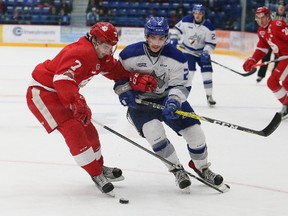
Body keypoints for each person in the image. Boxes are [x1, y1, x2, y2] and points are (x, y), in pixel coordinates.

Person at [26, 22, 155, 196]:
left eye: (111, 46)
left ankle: (99, 166)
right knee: (74, 129)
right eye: (105, 46)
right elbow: (62, 79)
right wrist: (76, 101)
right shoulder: (81, 52)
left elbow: (115, 71)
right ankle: (95, 174)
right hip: (43, 93)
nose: (109, 50)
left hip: (63, 93)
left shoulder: (102, 55)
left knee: (89, 130)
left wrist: (135, 79)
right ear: (94, 40)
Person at [114, 17, 224, 191]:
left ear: (166, 37)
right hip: (142, 104)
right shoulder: (129, 55)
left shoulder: (177, 57)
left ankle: (202, 168)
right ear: (146, 36)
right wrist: (125, 91)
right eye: (153, 37)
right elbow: (118, 78)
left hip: (168, 98)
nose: (157, 42)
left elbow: (181, 85)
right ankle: (177, 169)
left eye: (161, 38)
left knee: (196, 134)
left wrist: (174, 101)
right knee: (154, 132)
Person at [242, 6, 288, 119]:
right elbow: (262, 48)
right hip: (282, 58)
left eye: (261, 17)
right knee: (281, 83)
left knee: (273, 81)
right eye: (257, 18)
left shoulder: (277, 25)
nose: (259, 20)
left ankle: (286, 106)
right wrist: (253, 59)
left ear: (268, 17)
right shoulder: (261, 31)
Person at [170, 4, 217, 107]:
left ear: (203, 14)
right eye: (195, 13)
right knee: (189, 75)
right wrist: (174, 38)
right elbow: (176, 30)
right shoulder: (186, 20)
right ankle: (182, 97)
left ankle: (209, 96)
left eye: (199, 13)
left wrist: (206, 52)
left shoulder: (209, 26)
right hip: (188, 51)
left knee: (207, 74)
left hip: (202, 53)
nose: (197, 15)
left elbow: (211, 43)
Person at [256, 0, 288, 83]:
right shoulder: (271, 15)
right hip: (270, 40)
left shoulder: (287, 17)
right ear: (277, 7)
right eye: (280, 7)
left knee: (278, 58)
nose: (281, 8)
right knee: (265, 56)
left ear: (285, 8)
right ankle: (261, 75)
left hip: (280, 41)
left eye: (283, 7)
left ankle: (275, 75)